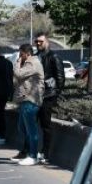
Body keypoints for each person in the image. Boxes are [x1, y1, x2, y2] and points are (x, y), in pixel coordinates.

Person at [31, 31, 64, 161]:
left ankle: (45, 153)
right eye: (37, 42)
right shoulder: (35, 57)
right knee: (32, 123)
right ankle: (30, 151)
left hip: (48, 96)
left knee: (46, 125)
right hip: (35, 95)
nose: (38, 43)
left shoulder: (54, 56)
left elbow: (60, 78)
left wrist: (55, 94)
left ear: (47, 42)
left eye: (41, 41)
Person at [13, 43, 44, 166]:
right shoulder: (26, 63)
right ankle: (30, 152)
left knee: (31, 129)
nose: (20, 57)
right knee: (22, 127)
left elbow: (19, 74)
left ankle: (33, 155)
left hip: (31, 99)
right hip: (25, 99)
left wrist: (16, 63)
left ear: (28, 53)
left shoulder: (32, 63)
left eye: (21, 54)